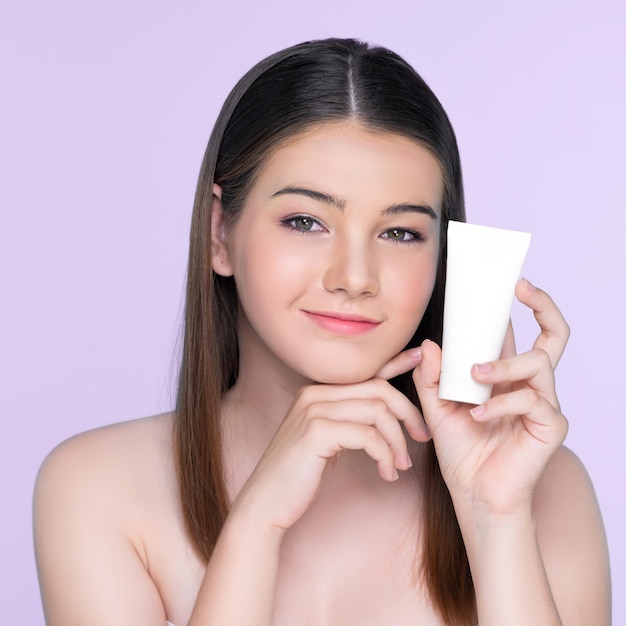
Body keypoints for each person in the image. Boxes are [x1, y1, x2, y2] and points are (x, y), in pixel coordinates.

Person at [33, 38, 610, 625]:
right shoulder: (98, 488)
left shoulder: (544, 487)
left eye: (401, 233)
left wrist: (495, 518)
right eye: (305, 222)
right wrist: (255, 525)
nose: (355, 277)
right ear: (219, 233)